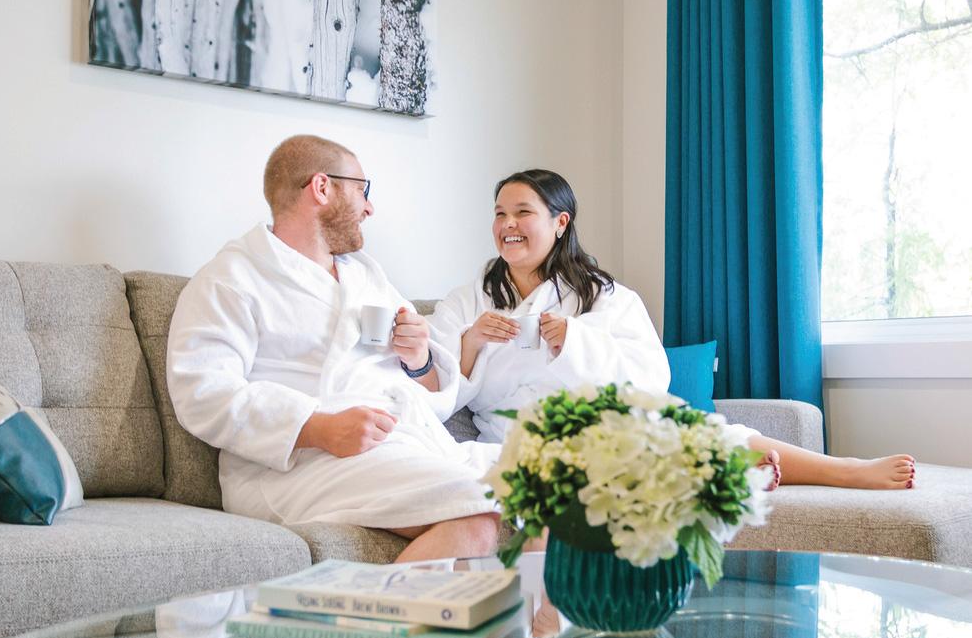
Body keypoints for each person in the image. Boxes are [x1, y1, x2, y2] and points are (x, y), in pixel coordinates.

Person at [428, 169, 916, 491]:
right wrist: (471, 341)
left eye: (522, 212)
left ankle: (845, 469)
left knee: (686, 431)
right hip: (517, 440)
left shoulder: (603, 294)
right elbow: (431, 386)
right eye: (500, 213)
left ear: (560, 222)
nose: (507, 224)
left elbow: (651, 373)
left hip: (602, 425)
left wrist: (574, 341)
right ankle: (722, 479)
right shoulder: (466, 302)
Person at [166, 135, 502, 563]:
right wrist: (317, 427)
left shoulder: (365, 276)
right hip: (297, 465)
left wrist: (418, 360)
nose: (369, 207)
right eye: (363, 190)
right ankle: (370, 611)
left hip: (406, 443)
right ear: (322, 187)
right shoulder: (232, 278)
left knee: (561, 489)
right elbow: (202, 393)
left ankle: (536, 615)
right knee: (476, 513)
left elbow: (430, 389)